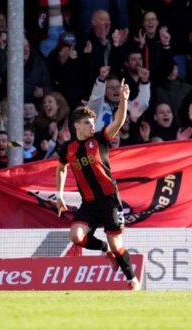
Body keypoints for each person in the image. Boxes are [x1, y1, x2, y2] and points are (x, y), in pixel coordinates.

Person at [55, 79, 140, 290]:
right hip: (89, 203)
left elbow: (119, 122)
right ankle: (105, 250)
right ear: (76, 125)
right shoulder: (68, 148)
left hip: (109, 199)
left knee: (117, 244)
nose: (92, 125)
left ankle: (132, 280)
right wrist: (59, 195)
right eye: (87, 123)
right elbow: (61, 168)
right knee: (76, 236)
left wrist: (123, 99)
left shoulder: (100, 139)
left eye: (93, 122)